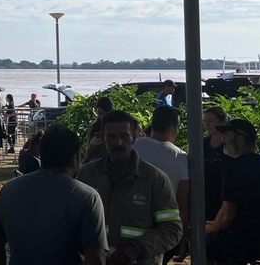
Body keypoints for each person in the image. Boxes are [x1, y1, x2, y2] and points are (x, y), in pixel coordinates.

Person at [0, 124, 108, 264]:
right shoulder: (87, 197)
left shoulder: (9, 189)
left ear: (41, 155)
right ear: (75, 158)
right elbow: (96, 258)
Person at [77, 109, 182, 265]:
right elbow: (72, 222)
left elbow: (172, 229)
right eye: (111, 137)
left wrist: (136, 248)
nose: (118, 143)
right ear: (103, 138)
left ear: (134, 138)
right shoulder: (87, 175)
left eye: (124, 136)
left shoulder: (155, 179)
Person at [205, 119, 260, 262]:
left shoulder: (232, 168)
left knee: (202, 242)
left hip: (245, 240)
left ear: (239, 138)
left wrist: (211, 229)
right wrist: (216, 223)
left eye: (227, 134)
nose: (224, 139)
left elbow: (228, 216)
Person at [133, 105, 189, 263]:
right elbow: (182, 205)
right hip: (163, 230)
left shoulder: (133, 148)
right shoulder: (180, 157)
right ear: (172, 128)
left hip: (131, 224)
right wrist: (182, 241)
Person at [202, 106, 230, 221]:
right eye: (205, 121)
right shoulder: (202, 143)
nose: (207, 125)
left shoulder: (229, 145)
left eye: (211, 121)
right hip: (204, 195)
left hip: (223, 195)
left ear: (222, 122)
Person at [83, 96, 114, 163]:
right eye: (100, 113)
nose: (102, 117)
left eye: (106, 113)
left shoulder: (118, 126)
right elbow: (87, 157)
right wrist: (92, 145)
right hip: (97, 164)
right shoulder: (95, 128)